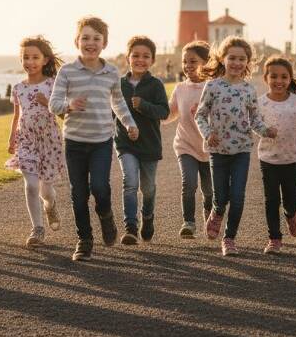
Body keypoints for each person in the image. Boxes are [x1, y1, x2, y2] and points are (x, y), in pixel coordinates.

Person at [48, 16, 138, 261]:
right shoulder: (67, 71)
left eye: (96, 39)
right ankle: (84, 240)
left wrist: (129, 123)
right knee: (78, 193)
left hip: (101, 141)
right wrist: (68, 105)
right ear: (77, 41)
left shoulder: (111, 72)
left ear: (104, 43)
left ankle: (106, 215)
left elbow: (118, 102)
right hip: (75, 142)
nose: (90, 43)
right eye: (85, 38)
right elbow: (53, 104)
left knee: (100, 187)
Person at [195, 36, 277, 256]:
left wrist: (266, 131)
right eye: (232, 58)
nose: (237, 63)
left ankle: (229, 238)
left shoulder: (249, 90)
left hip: (241, 148)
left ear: (247, 62)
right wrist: (208, 133)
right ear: (223, 58)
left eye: (242, 59)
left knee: (238, 196)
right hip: (218, 150)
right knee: (221, 197)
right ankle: (217, 211)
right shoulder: (212, 86)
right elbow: (200, 115)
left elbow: (255, 120)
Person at [5, 36, 65, 248]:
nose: (30, 62)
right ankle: (37, 228)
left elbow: (63, 113)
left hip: (49, 141)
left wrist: (47, 102)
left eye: (34, 57)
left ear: (45, 60)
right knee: (31, 185)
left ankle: (50, 205)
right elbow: (16, 115)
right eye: (25, 58)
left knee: (45, 191)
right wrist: (12, 137)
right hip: (26, 140)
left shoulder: (53, 84)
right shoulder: (18, 88)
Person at [115, 36, 169, 244]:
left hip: (149, 145)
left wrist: (143, 105)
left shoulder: (155, 85)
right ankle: (130, 227)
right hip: (125, 143)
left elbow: (164, 112)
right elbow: (112, 111)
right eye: (135, 55)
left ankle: (147, 216)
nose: (140, 59)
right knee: (130, 182)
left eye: (146, 56)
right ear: (127, 58)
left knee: (148, 189)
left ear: (152, 60)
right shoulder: (118, 84)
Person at [257, 55, 296, 254]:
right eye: (274, 76)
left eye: (284, 77)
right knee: (271, 200)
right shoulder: (260, 102)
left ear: (290, 78)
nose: (279, 81)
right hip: (268, 159)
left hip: (291, 158)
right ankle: (274, 238)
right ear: (266, 78)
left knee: (291, 200)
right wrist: (264, 131)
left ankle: (291, 214)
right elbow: (254, 124)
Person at [165, 40, 213, 239]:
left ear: (207, 62)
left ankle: (210, 220)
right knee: (189, 183)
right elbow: (169, 114)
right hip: (186, 145)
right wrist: (150, 114)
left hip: (210, 148)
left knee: (210, 191)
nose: (187, 66)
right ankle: (189, 223)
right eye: (185, 61)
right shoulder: (180, 88)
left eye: (193, 61)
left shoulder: (213, 87)